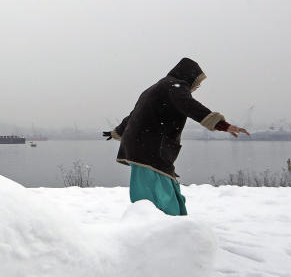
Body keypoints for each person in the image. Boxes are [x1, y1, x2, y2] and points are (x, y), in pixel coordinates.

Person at [105, 57, 249, 215]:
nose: (197, 87)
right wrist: (222, 124)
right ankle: (162, 224)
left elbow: (134, 116)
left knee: (158, 185)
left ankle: (168, 224)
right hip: (150, 148)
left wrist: (117, 132)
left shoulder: (156, 88)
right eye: (197, 83)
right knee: (156, 193)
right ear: (189, 77)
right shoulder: (175, 87)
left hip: (141, 147)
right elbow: (190, 106)